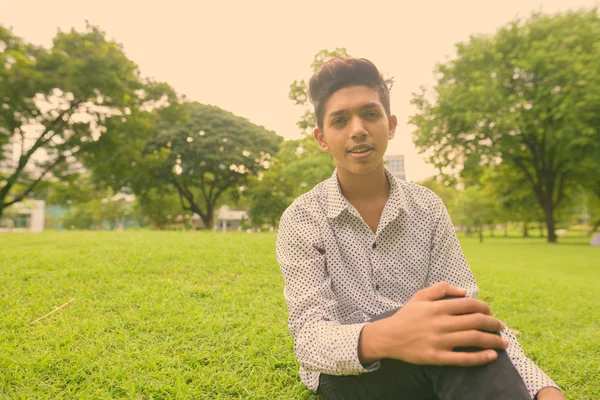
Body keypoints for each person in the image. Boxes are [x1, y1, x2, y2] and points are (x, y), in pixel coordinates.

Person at [276, 58, 564, 400]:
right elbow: (309, 339)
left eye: (370, 114)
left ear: (391, 124)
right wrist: (389, 335)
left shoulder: (427, 208)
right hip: (351, 372)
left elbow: (466, 313)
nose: (357, 130)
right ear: (322, 138)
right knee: (447, 330)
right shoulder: (302, 219)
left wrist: (543, 388)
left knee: (459, 327)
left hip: (434, 358)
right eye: (340, 120)